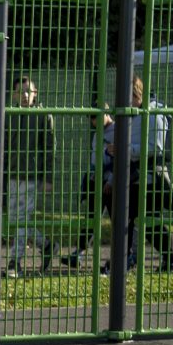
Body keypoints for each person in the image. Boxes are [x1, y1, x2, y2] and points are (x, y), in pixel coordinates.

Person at [4, 76, 55, 278]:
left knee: (22, 220)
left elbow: (50, 150)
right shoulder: (10, 114)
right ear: (15, 95)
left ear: (35, 92)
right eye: (21, 92)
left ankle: (14, 263)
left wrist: (48, 178)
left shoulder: (44, 115)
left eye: (29, 91)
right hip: (13, 175)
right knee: (17, 220)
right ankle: (48, 245)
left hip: (32, 176)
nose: (25, 96)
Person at [61, 105, 119, 269]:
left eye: (97, 117)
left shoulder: (117, 130)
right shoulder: (97, 135)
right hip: (97, 182)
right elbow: (95, 160)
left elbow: (120, 158)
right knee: (91, 220)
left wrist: (111, 180)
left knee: (119, 221)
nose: (94, 122)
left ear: (107, 113)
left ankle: (123, 257)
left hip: (111, 184)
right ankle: (77, 254)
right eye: (92, 119)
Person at [126, 76, 173, 272]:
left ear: (137, 93)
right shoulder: (135, 114)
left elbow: (157, 147)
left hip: (153, 176)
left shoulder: (154, 113)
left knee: (148, 221)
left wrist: (127, 148)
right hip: (139, 176)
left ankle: (167, 258)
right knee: (138, 219)